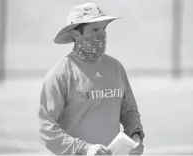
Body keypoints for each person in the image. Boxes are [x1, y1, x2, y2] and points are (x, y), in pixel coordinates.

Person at [39, 2, 145, 155]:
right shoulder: (59, 74)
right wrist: (85, 149)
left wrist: (135, 136)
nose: (101, 35)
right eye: (95, 29)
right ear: (76, 34)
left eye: (103, 29)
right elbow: (46, 129)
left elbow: (129, 112)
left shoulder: (115, 68)